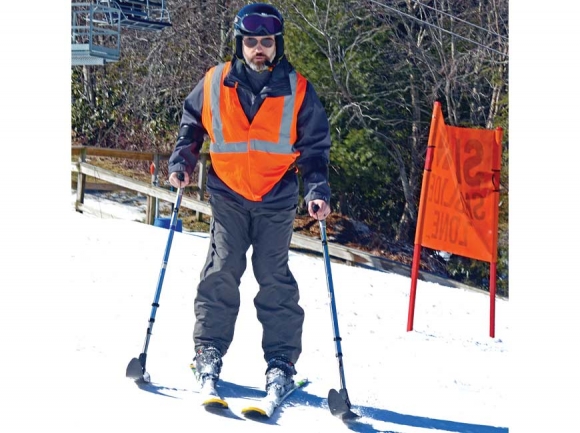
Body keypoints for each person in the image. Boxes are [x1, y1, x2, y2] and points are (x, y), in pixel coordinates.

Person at [167, 2, 332, 400]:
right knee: (222, 268)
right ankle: (208, 350)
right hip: (228, 194)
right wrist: (182, 162)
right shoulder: (213, 83)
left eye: (268, 42)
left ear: (278, 45)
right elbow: (192, 125)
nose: (260, 49)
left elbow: (315, 149)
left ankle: (281, 362)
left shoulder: (298, 90)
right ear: (240, 44)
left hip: (275, 196)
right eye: (253, 42)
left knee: (272, 277)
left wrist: (317, 191)